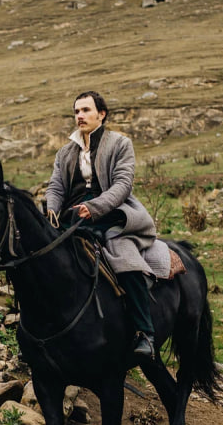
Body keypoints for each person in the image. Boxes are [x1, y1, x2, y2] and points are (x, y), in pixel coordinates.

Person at [45, 90, 159, 358]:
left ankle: (145, 333)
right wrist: (51, 208)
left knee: (125, 259)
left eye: (85, 110)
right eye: (76, 111)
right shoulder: (65, 152)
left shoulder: (120, 143)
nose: (80, 116)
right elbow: (56, 187)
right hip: (71, 216)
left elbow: (122, 184)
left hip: (111, 213)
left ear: (102, 114)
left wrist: (94, 207)